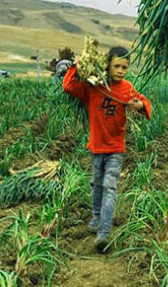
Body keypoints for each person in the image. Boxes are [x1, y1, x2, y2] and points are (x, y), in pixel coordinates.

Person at [62, 47, 152, 251]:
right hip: (96, 146)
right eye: (116, 66)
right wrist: (77, 65)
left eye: (125, 67)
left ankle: (104, 231)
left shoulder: (127, 88)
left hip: (115, 148)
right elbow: (68, 86)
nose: (121, 70)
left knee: (110, 186)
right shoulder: (94, 87)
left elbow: (144, 102)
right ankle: (95, 217)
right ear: (107, 66)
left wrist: (139, 106)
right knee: (96, 183)